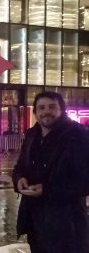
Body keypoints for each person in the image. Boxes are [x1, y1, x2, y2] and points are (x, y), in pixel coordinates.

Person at [12, 91, 89, 253]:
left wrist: (46, 190)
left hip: (67, 223)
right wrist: (19, 179)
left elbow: (84, 181)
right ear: (35, 112)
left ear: (62, 110)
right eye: (41, 108)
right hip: (35, 219)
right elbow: (20, 166)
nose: (46, 111)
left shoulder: (77, 134)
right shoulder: (32, 134)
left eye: (52, 107)